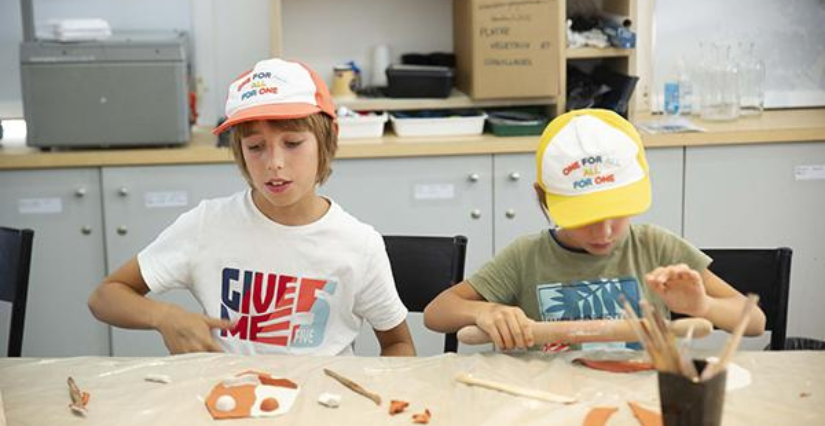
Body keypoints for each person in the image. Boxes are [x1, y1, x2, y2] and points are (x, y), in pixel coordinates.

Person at [88, 58, 415, 356]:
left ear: (328, 139)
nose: (274, 163)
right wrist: (163, 316)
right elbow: (106, 296)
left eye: (292, 143)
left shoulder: (360, 243)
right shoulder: (207, 224)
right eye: (255, 147)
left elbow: (398, 343)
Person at [424, 109, 766, 351]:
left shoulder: (657, 248)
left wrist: (703, 305)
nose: (604, 231)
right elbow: (437, 313)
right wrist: (486, 312)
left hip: (639, 396)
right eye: (585, 215)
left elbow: (755, 322)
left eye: (617, 213)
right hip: (544, 401)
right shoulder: (525, 257)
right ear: (543, 198)